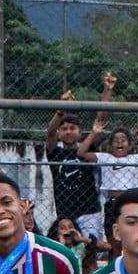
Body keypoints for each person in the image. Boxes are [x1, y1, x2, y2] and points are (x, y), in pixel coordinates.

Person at [45, 78, 113, 239]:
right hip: (65, 214)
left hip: (88, 211)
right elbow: (50, 133)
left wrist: (107, 90)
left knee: (90, 252)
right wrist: (61, 110)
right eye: (64, 129)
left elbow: (100, 120)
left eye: (72, 128)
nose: (68, 132)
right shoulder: (55, 153)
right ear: (60, 133)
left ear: (79, 132)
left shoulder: (87, 149)